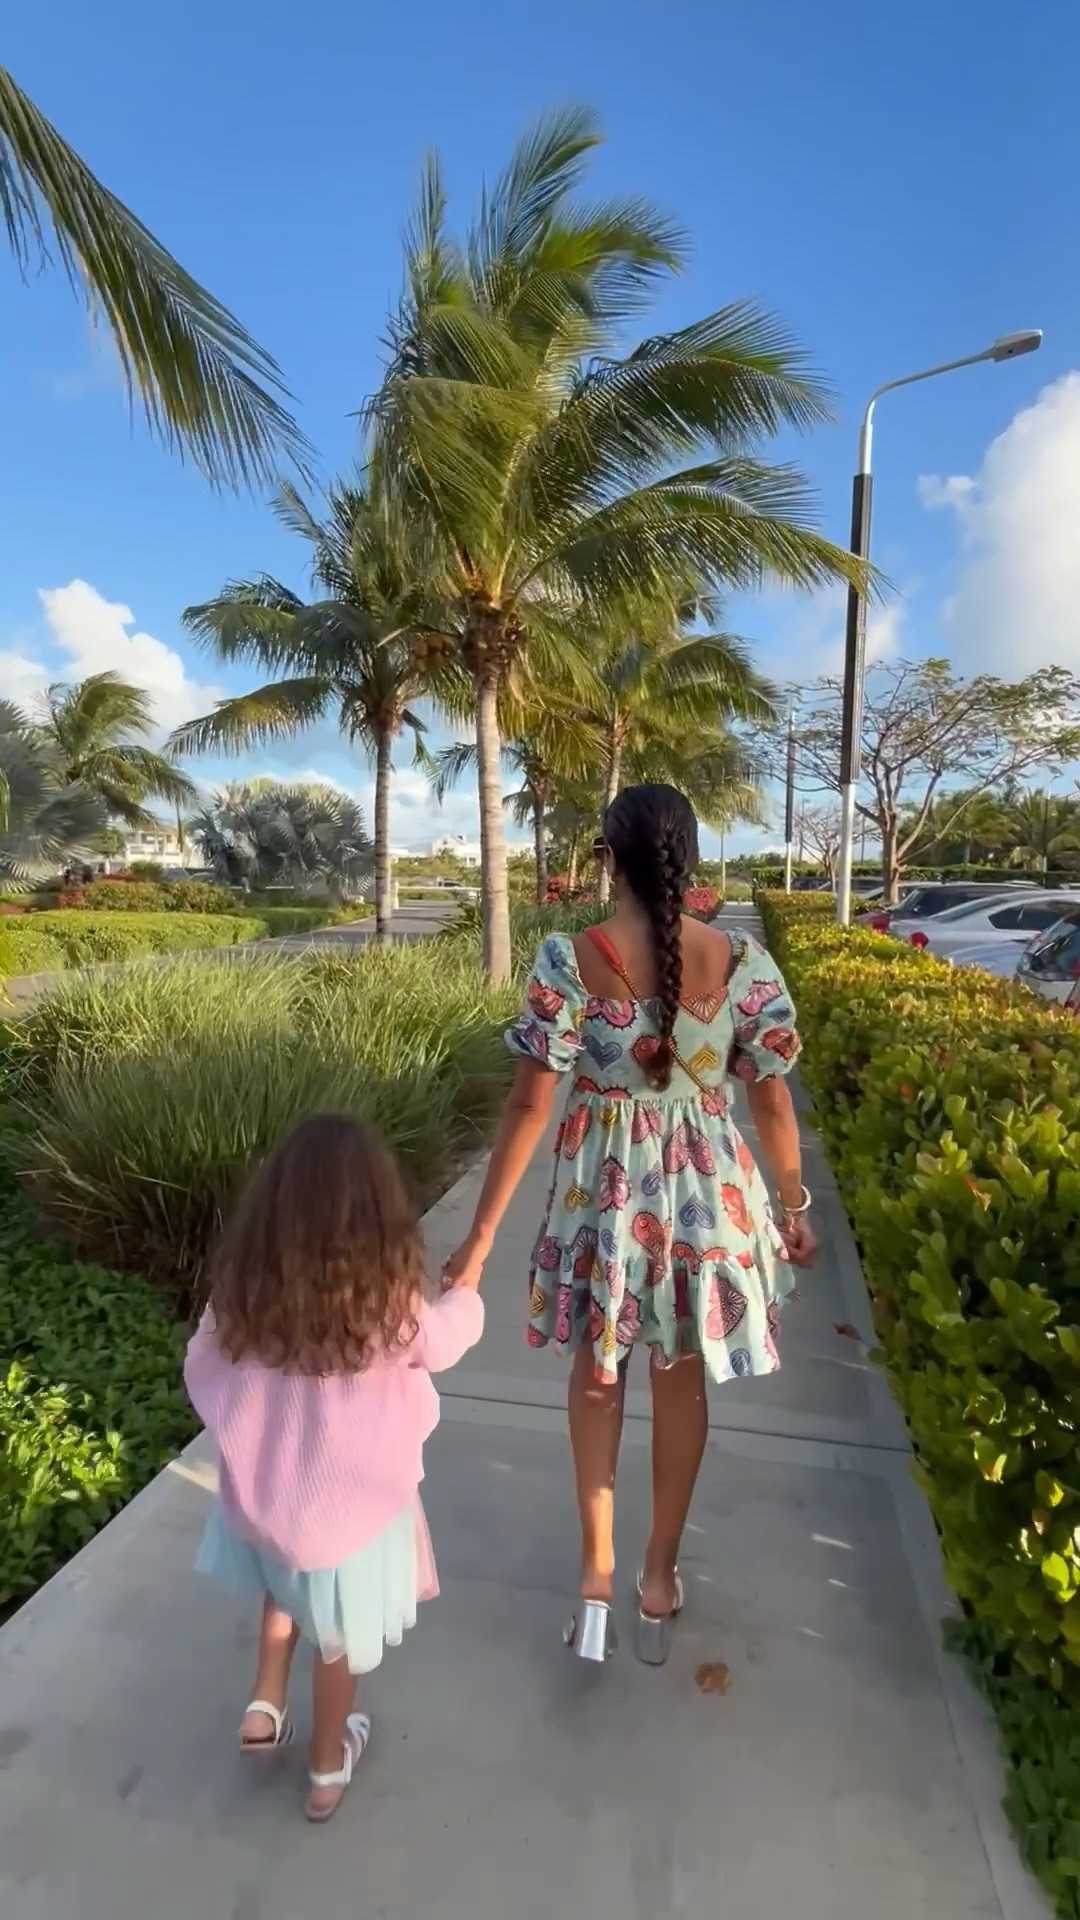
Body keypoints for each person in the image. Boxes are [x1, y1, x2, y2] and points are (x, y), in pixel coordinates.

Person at [443, 784, 816, 1666]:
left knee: (598, 1375)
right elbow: (771, 1102)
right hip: (706, 1204)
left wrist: (482, 1236)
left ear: (606, 857)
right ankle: (657, 1575)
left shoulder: (571, 959)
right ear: (688, 858)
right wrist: (792, 1206)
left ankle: (596, 1575)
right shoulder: (744, 961)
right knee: (679, 1378)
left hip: (603, 1204)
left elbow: (532, 1104)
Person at [184, 1113, 484, 1822]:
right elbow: (442, 1343)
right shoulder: (382, 1303)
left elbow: (202, 1361)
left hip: (268, 1502)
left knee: (283, 1586)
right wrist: (466, 1294)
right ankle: (326, 1765)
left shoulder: (244, 1291)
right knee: (338, 1634)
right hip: (347, 1514)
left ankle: (263, 1701)